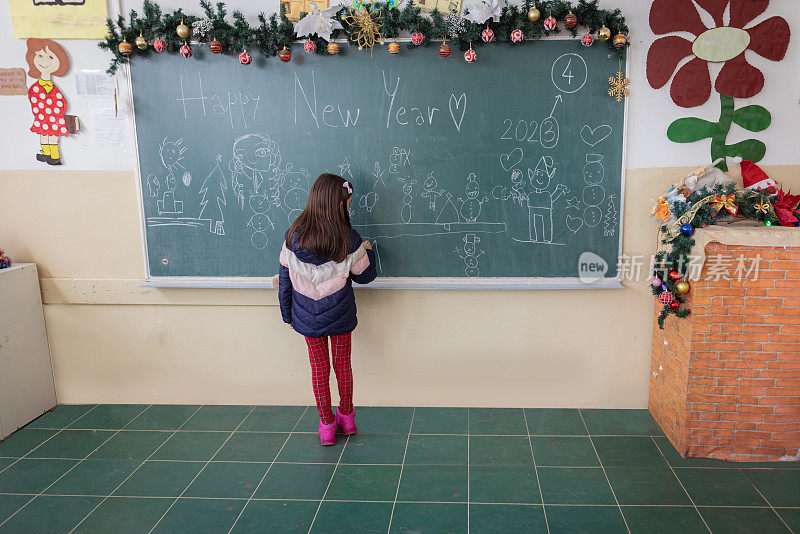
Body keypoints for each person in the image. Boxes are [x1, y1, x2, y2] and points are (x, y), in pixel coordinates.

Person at [278, 173, 377, 446]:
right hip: (340, 315)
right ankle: (347, 419)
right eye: (348, 203)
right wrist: (370, 250)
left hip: (306, 317)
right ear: (339, 205)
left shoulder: (293, 237)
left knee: (319, 369)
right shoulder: (349, 238)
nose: (349, 208)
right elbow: (366, 276)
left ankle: (326, 427)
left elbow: (285, 281)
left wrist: (287, 315)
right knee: (342, 365)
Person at [25, 39, 70, 166]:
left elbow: (62, 102)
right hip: (42, 117)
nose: (44, 61)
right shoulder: (34, 88)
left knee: (53, 136)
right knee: (43, 133)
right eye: (39, 56)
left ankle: (54, 156)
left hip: (54, 117)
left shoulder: (53, 89)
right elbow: (33, 101)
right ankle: (46, 153)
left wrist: (58, 112)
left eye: (50, 57)